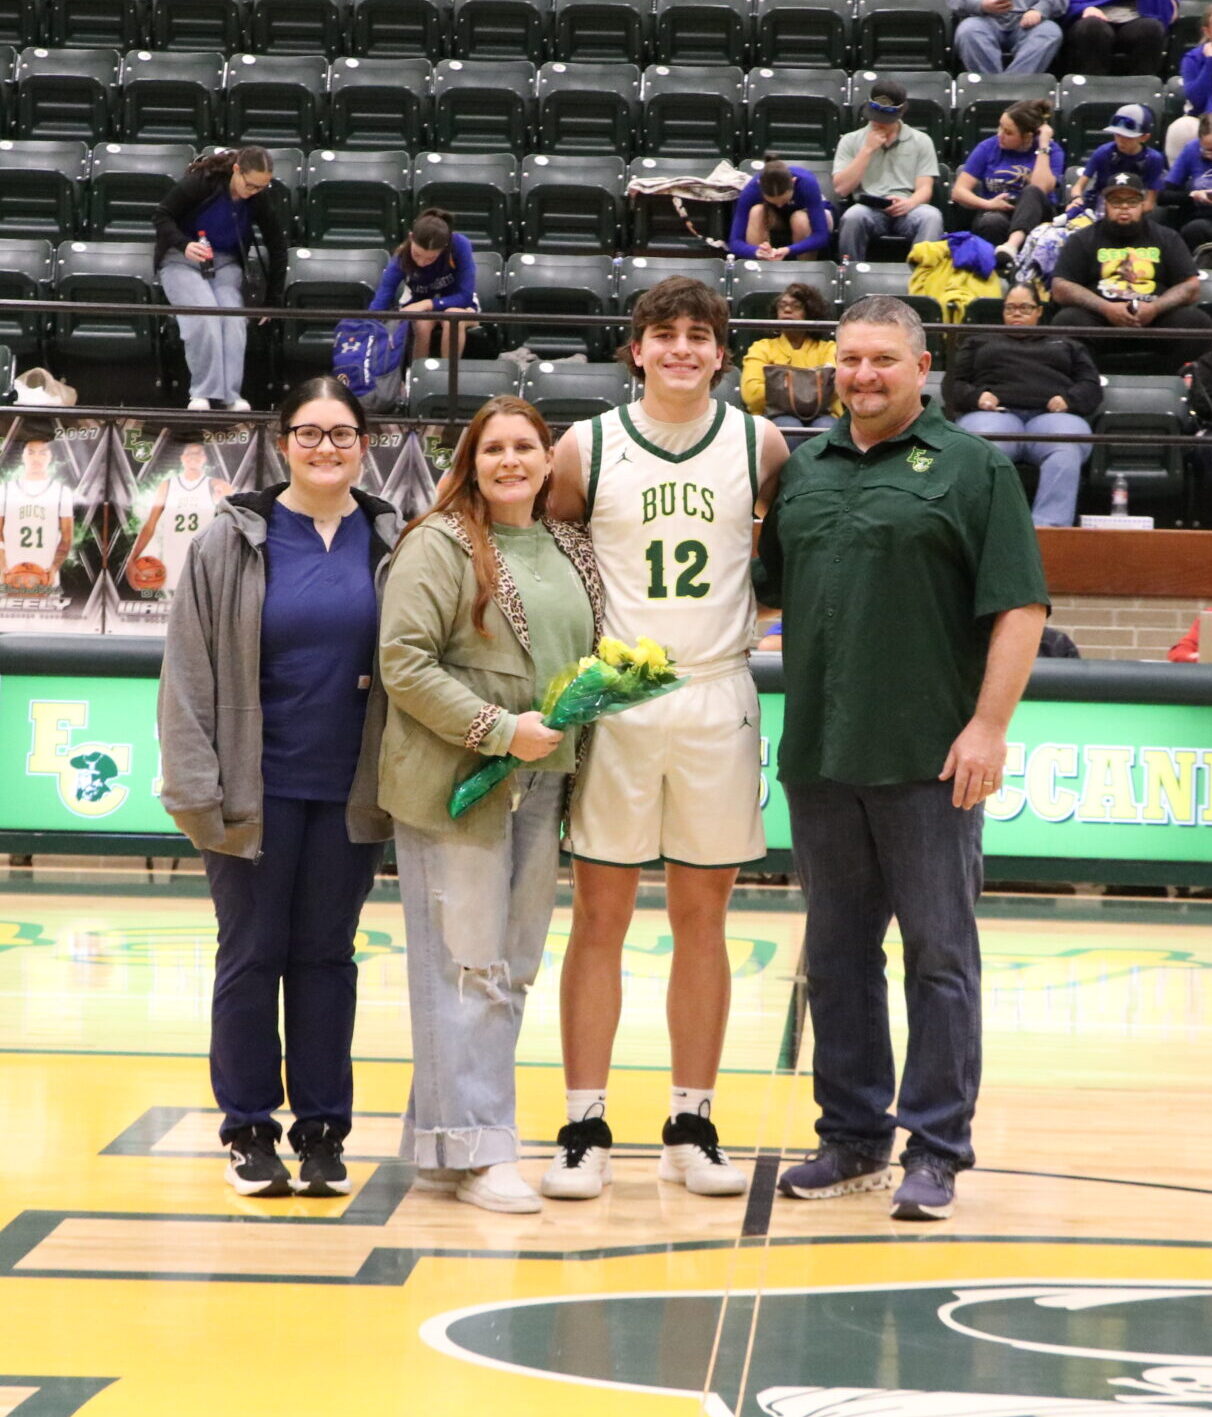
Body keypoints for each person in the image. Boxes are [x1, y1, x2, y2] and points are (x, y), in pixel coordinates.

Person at [756, 295, 1049, 1222]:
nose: (863, 374)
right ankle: (850, 1138)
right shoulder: (804, 469)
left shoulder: (974, 468)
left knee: (939, 958)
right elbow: (764, 591)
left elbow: (1021, 607)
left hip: (931, 759)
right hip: (820, 755)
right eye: (849, 359)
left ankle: (936, 1148)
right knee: (837, 958)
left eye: (883, 358)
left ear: (923, 368)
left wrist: (988, 727)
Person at [543, 276, 788, 1201]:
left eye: (698, 334)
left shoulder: (760, 443)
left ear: (722, 353)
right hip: (620, 697)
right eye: (664, 333)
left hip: (718, 691)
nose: (681, 348)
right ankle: (584, 1123)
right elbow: (552, 557)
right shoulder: (587, 445)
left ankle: (692, 1123)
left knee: (703, 919)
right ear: (635, 349)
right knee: (598, 916)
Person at [157, 376, 401, 1199]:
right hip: (250, 792)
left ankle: (323, 1130)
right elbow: (186, 672)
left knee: (328, 958)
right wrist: (195, 788)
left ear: (364, 445)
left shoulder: (393, 540)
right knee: (252, 954)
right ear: (281, 441)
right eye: (309, 432)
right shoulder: (228, 541)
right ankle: (250, 1129)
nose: (326, 447)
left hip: (350, 793)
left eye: (342, 433)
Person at [379, 396, 602, 1215]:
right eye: (493, 448)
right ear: (471, 463)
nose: (510, 461)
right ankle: (482, 1149)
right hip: (457, 781)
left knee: (507, 968)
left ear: (549, 462)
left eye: (525, 447)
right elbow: (403, 660)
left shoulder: (571, 547)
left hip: (544, 780)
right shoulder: (437, 542)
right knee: (466, 965)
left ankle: (446, 1143)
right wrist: (499, 729)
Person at [947, 283, 1101, 526]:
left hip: (1052, 418)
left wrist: (1069, 400)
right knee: (984, 449)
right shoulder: (979, 340)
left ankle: (1049, 528)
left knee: (1066, 448)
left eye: (1024, 308)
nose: (1016, 313)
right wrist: (976, 397)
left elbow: (1091, 385)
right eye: (1010, 308)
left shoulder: (1066, 342)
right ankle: (993, 528)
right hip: (994, 415)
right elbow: (952, 383)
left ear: (1039, 311)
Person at [153, 147, 287, 413]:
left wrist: (273, 299)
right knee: (205, 314)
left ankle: (231, 395)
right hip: (181, 260)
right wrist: (184, 244)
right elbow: (161, 215)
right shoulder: (202, 182)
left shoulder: (258, 197)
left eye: (261, 187)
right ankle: (202, 393)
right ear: (236, 170)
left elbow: (277, 245)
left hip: (225, 262)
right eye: (250, 185)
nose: (254, 191)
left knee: (233, 318)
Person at [1051, 172, 1212, 371]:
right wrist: (1105, 308)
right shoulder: (1082, 239)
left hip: (1156, 320)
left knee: (1197, 322)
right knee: (1066, 321)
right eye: (1116, 202)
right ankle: (1086, 379)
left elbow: (1191, 286)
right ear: (1105, 205)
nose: (1124, 207)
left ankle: (1172, 380)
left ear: (1143, 204)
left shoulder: (1167, 237)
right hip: (1100, 321)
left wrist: (1155, 308)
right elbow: (1060, 287)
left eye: (1132, 202)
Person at [833, 79, 944, 262]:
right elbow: (841, 189)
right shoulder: (850, 140)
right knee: (852, 216)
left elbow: (925, 188)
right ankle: (850, 272)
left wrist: (910, 203)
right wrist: (867, 150)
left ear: (901, 112)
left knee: (931, 217)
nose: (878, 122)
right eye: (875, 116)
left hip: (908, 207)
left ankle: (923, 275)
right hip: (870, 208)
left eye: (885, 119)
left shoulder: (922, 141)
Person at [952, 100, 1064, 273]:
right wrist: (988, 204)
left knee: (1031, 191)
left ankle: (1013, 244)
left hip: (1038, 216)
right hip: (998, 212)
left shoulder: (1052, 151)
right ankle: (996, 274)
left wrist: (1043, 145)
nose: (1000, 135)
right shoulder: (988, 147)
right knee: (991, 222)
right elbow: (958, 192)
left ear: (1027, 136)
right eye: (1000, 127)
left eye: (1008, 132)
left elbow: (1040, 188)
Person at [125, 437, 233, 594]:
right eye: (189, 453)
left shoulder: (215, 484)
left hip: (204, 563)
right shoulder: (167, 486)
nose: (193, 456)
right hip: (172, 564)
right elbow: (150, 525)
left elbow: (231, 523)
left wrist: (225, 492)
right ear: (182, 458)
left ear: (204, 458)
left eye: (198, 453)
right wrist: (131, 559)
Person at [369, 208, 478, 360]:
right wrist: (367, 327)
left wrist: (427, 304)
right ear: (411, 237)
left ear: (444, 247)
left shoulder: (460, 245)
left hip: (459, 306)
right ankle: (418, 372)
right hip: (421, 310)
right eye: (417, 255)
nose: (422, 262)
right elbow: (384, 294)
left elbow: (465, 296)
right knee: (422, 323)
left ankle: (448, 373)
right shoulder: (402, 255)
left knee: (452, 318)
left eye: (430, 258)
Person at [741, 284, 842, 446]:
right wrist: (811, 387)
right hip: (772, 415)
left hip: (823, 415)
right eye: (782, 306)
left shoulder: (829, 348)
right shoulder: (762, 348)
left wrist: (779, 386)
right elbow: (752, 395)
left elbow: (838, 389)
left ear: (810, 312)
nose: (787, 310)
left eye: (796, 306)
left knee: (826, 427)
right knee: (789, 425)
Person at [0, 432, 73, 591]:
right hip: (9, 574)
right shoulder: (5, 490)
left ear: (51, 457)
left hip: (45, 575)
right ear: (22, 456)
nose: (36, 458)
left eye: (43, 453)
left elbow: (66, 539)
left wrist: (54, 567)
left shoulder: (62, 492)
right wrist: (2, 566)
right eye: (31, 452)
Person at [1066, 105, 1164, 218]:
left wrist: (1124, 214)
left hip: (1134, 208)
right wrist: (1077, 198)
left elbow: (1149, 204)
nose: (1121, 141)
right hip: (1100, 205)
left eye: (1128, 137)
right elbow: (1078, 186)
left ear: (1144, 137)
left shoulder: (1153, 159)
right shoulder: (1103, 152)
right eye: (1118, 135)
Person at [727, 159, 832, 261]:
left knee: (799, 219)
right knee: (757, 211)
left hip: (806, 221)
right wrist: (756, 251)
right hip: (776, 221)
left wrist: (788, 250)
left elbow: (821, 236)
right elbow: (735, 242)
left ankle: (804, 268)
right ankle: (762, 265)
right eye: (773, 202)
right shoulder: (751, 190)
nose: (780, 206)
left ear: (793, 182)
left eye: (784, 200)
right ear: (760, 186)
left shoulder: (807, 183)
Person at [948, 0, 1065, 75]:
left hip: (1030, 19)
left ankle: (1013, 88)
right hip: (983, 17)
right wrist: (980, 5)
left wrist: (1039, 9)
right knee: (968, 31)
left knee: (1050, 32)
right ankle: (989, 88)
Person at [1061, 0, 1176, 76]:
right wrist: (1084, 8)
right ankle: (1091, 91)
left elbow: (1168, 11)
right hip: (1092, 15)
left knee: (1152, 28)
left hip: (1136, 18)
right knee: (1092, 27)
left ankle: (1141, 92)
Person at [1159, 114, 1212, 255]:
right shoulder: (1191, 150)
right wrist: (1192, 196)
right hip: (1202, 219)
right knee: (1194, 229)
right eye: (1208, 149)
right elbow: (1163, 195)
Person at [1166, 4, 1212, 163]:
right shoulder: (1193, 59)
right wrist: (1209, 64)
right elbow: (1197, 99)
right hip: (1202, 121)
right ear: (1207, 31)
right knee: (1182, 128)